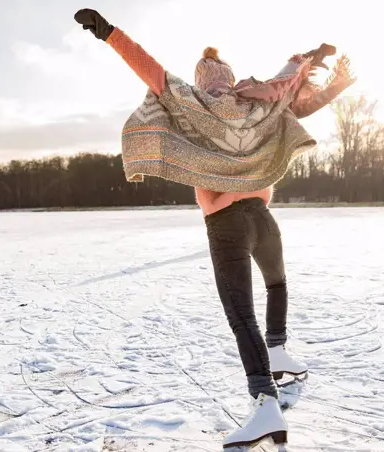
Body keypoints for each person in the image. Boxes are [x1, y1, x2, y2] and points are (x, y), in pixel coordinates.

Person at [74, 8, 355, 448]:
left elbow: (147, 66)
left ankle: (266, 404)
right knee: (277, 285)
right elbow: (292, 86)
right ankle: (278, 348)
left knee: (242, 315)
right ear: (229, 74)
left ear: (203, 79)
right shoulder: (255, 101)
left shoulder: (194, 103)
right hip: (264, 218)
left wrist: (109, 32)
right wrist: (323, 70)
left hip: (226, 224)